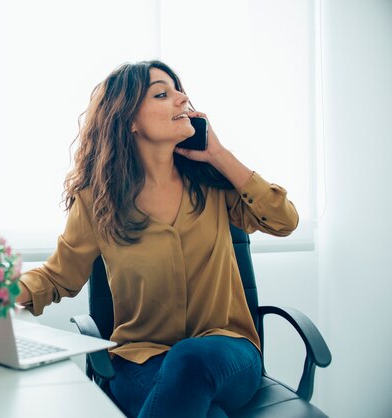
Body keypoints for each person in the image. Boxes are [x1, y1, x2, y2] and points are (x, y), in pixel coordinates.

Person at [15, 60, 298, 417]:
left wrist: (219, 155)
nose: (182, 99)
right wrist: (3, 291)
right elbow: (58, 276)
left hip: (228, 351)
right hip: (139, 358)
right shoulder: (98, 200)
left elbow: (284, 220)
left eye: (180, 91)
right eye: (163, 94)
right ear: (130, 120)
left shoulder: (212, 183)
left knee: (191, 359)